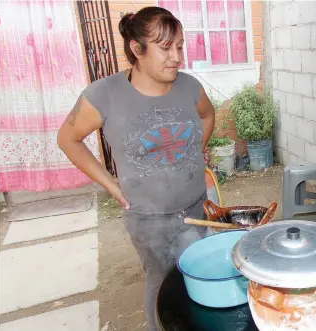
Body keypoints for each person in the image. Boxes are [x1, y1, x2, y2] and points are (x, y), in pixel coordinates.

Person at [57, 6, 215, 330]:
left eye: (180, 46)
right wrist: (111, 184)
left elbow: (207, 115)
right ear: (137, 49)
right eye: (165, 47)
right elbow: (67, 139)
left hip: (198, 205)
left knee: (200, 274)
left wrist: (196, 151)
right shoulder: (105, 94)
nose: (176, 57)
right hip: (148, 219)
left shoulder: (189, 87)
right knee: (161, 283)